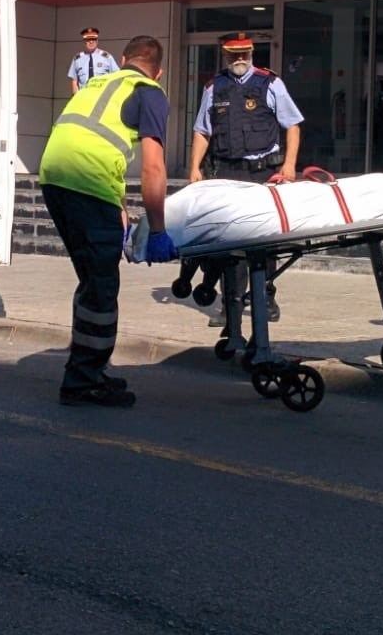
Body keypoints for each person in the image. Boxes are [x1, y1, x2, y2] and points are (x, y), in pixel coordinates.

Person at [38, 35, 175, 407]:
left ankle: (89, 369)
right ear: (158, 70)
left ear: (124, 59)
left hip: (54, 178)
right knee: (101, 285)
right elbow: (153, 166)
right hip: (86, 182)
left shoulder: (97, 83)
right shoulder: (149, 92)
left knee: (91, 278)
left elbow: (94, 138)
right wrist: (158, 229)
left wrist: (118, 204)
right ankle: (82, 382)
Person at [188, 33, 305, 331]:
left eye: (244, 54)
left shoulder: (270, 83)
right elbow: (203, 131)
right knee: (228, 246)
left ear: (252, 53)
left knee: (264, 242)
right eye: (232, 55)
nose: (239, 59)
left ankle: (265, 296)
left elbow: (292, 124)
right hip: (227, 174)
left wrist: (290, 166)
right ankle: (230, 307)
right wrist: (194, 169)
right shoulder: (214, 88)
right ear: (224, 55)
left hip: (262, 175)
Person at [66, 26, 119, 93]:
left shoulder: (107, 57)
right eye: (88, 40)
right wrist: (75, 97)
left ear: (97, 41)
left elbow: (116, 77)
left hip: (101, 96)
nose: (91, 42)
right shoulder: (77, 59)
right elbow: (74, 81)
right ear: (84, 41)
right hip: (84, 97)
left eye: (93, 39)